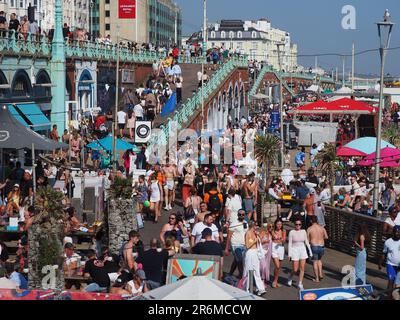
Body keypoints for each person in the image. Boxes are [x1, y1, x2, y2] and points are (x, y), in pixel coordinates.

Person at [287, 219, 312, 290]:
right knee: (295, 269)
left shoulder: (303, 231)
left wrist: (310, 251)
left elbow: (306, 242)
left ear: (301, 225)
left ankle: (300, 283)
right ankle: (290, 277)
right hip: (294, 250)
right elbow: (289, 243)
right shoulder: (292, 232)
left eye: (299, 224)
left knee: (302, 268)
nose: (298, 226)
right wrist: (289, 254)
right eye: (296, 224)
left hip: (302, 250)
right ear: (294, 225)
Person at [243, 222, 266, 296]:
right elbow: (247, 245)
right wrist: (255, 240)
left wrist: (258, 236)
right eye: (256, 225)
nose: (257, 227)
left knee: (257, 271)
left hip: (255, 252)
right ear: (253, 226)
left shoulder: (255, 233)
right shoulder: (248, 233)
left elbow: (260, 242)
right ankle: (246, 288)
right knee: (248, 270)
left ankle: (260, 289)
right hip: (249, 253)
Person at [225, 210, 247, 279]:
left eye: (243, 214)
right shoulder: (234, 224)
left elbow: (246, 234)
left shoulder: (246, 223)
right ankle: (242, 276)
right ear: (237, 215)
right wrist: (226, 248)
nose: (241, 216)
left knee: (236, 260)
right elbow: (229, 236)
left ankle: (230, 273)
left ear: (244, 215)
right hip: (235, 245)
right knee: (240, 260)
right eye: (240, 214)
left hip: (244, 245)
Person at [307, 216, 329, 283]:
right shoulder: (322, 228)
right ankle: (321, 274)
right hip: (321, 246)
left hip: (314, 246)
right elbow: (326, 237)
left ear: (311, 221)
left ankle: (316, 278)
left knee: (315, 261)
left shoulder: (309, 229)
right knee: (319, 260)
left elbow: (307, 240)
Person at [379, 226, 400, 294]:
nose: (398, 233)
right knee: (391, 280)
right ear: (393, 232)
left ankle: (390, 294)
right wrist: (380, 263)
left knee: (397, 283)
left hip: (399, 266)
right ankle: (389, 296)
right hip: (390, 264)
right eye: (397, 232)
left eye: (399, 232)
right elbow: (384, 253)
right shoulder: (388, 242)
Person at [271, 218, 286, 288]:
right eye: (278, 224)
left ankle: (275, 281)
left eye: (280, 224)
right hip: (274, 248)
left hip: (281, 248)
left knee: (278, 267)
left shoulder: (283, 231)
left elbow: (284, 240)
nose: (279, 225)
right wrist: (276, 237)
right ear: (275, 224)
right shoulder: (272, 230)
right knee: (277, 265)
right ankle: (274, 281)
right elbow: (273, 236)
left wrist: (282, 239)